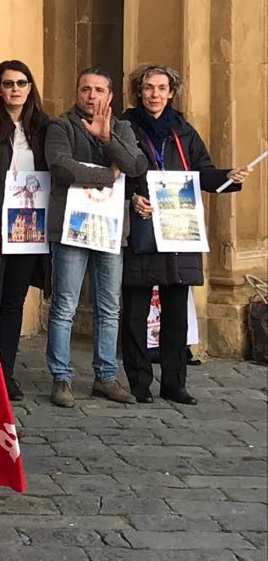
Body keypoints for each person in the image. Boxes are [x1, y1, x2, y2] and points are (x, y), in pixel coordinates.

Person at [120, 64, 250, 405]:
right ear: (139, 91)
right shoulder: (125, 126)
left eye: (162, 88)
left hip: (178, 229)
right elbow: (115, 172)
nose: (155, 94)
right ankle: (138, 383)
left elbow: (203, 171)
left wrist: (229, 176)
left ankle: (175, 383)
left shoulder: (184, 130)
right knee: (135, 310)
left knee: (176, 312)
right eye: (148, 88)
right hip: (141, 226)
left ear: (171, 92)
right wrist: (132, 196)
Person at [44, 67, 147, 408]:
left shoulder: (123, 128)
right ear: (77, 92)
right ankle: (61, 377)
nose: (91, 95)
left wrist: (106, 140)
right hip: (71, 229)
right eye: (85, 88)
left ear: (110, 96)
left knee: (108, 307)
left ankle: (105, 376)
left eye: (99, 90)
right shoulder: (60, 126)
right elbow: (61, 166)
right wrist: (107, 174)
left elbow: (135, 166)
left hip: (110, 230)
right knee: (64, 306)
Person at [0, 60, 50, 402]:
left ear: (30, 87)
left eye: (20, 83)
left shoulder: (42, 126)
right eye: (7, 83)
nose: (14, 89)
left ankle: (7, 373)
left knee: (15, 299)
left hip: (31, 225)